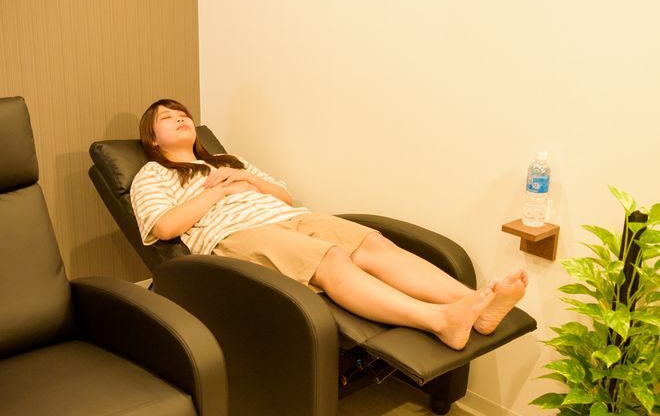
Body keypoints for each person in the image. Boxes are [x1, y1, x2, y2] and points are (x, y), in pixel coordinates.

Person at [130, 98, 527, 350]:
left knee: (374, 244)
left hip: (292, 217)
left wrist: (245, 177)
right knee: (332, 258)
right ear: (153, 139)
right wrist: (217, 192)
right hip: (238, 235)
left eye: (183, 114)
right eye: (168, 117)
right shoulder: (153, 174)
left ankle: (477, 302)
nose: (181, 118)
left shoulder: (229, 160)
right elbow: (164, 228)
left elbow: (285, 197)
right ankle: (439, 320)